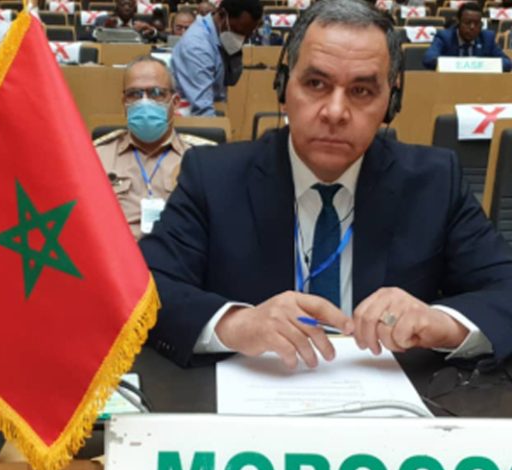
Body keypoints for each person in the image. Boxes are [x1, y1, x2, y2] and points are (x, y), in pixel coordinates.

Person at [140, 0, 512, 368]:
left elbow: (505, 287)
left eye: (361, 91)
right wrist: (236, 323)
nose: (335, 112)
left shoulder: (435, 181)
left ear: (391, 102)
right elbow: (146, 286)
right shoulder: (213, 176)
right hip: (256, 392)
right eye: (316, 84)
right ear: (283, 87)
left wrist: (443, 324)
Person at [95, 56, 215, 240]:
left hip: (177, 255)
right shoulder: (96, 157)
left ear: (175, 102)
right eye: (135, 94)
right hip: (116, 255)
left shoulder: (202, 159)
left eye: (156, 93)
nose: (145, 102)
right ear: (124, 103)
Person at [171, 0, 262, 116]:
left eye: (248, 35)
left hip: (214, 110)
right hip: (192, 119)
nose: (243, 39)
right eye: (239, 32)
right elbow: (202, 110)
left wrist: (234, 50)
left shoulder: (218, 32)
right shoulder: (197, 46)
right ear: (222, 15)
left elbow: (231, 79)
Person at [423, 2, 512, 72]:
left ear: (481, 25)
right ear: (458, 22)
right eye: (467, 23)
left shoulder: (487, 38)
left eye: (476, 23)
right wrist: (457, 64)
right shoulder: (445, 37)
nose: (472, 27)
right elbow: (428, 59)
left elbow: (507, 63)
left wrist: (482, 64)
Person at [94, 0, 163, 43]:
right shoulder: (103, 20)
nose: (127, 8)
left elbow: (165, 38)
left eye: (130, 5)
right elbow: (89, 36)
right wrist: (104, 30)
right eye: (123, 5)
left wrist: (152, 31)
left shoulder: (144, 22)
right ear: (117, 6)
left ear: (135, 8)